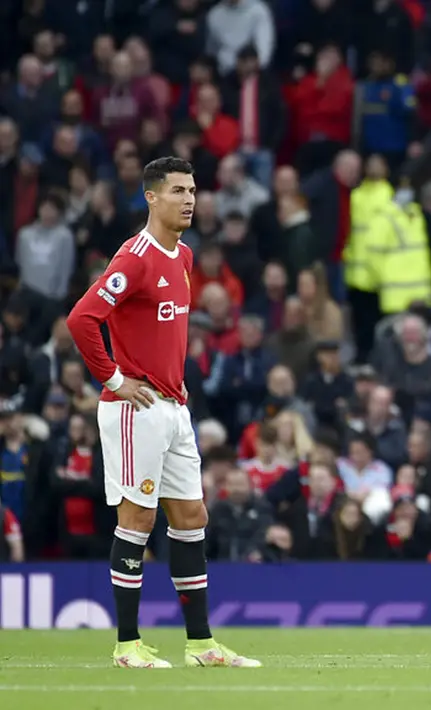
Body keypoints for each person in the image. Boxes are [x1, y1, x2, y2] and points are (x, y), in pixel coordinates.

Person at [64, 157, 260, 670]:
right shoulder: (136, 257)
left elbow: (163, 331)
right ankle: (127, 645)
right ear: (152, 197)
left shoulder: (184, 257)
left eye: (192, 190)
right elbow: (83, 318)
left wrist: (175, 379)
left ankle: (201, 645)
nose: (189, 199)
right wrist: (113, 380)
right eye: (177, 190)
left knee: (192, 516)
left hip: (173, 407)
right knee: (137, 519)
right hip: (137, 408)